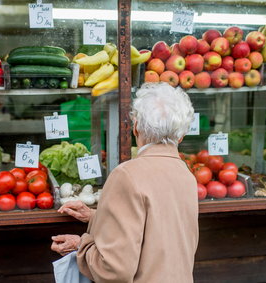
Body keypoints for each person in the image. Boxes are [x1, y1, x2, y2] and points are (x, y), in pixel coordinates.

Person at [51, 82, 199, 283]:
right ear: (181, 135)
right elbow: (157, 230)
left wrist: (82, 246)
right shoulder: (186, 176)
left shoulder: (127, 175)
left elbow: (113, 270)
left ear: (136, 127)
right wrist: (96, 216)